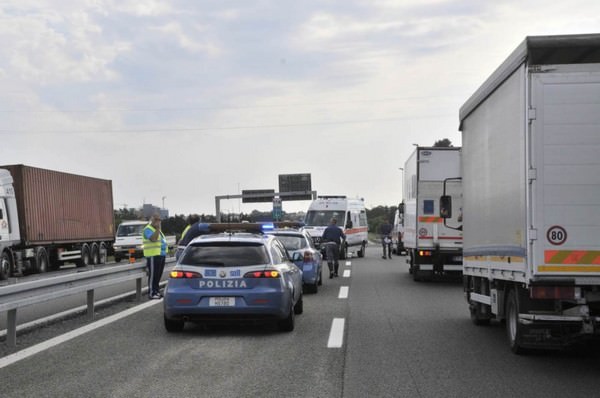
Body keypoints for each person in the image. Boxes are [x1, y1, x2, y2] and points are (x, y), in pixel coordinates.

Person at [143, 214, 168, 299]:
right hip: (153, 255)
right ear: (152, 220)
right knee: (153, 275)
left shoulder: (159, 230)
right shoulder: (148, 229)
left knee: (158, 275)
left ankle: (156, 291)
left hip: (161, 255)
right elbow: (153, 239)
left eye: (159, 220)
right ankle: (151, 293)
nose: (158, 222)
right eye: (156, 220)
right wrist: (158, 228)